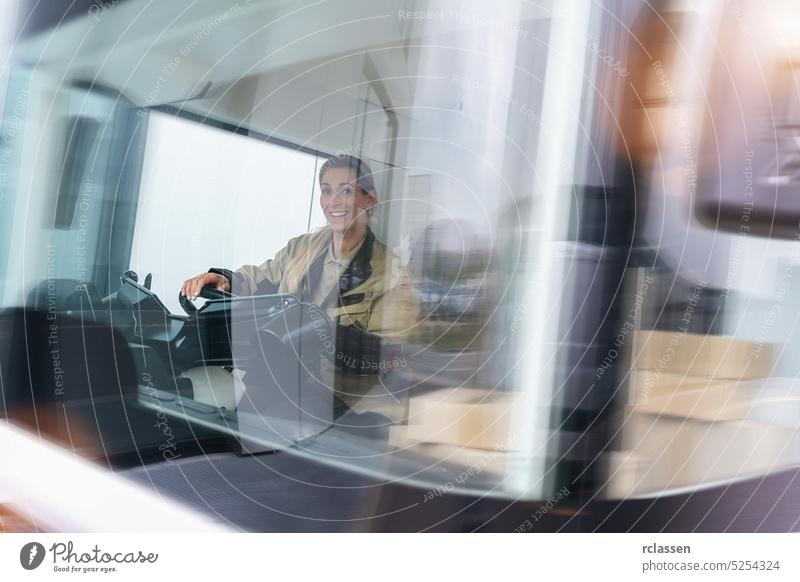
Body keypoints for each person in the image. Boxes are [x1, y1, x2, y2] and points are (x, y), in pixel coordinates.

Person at [180, 155, 418, 415]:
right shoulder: (301, 248)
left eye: (345, 191)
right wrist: (226, 280)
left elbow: (392, 355)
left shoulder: (392, 274)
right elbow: (260, 279)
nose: (334, 201)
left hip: (343, 404)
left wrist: (326, 335)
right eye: (326, 190)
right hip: (280, 382)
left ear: (369, 200)